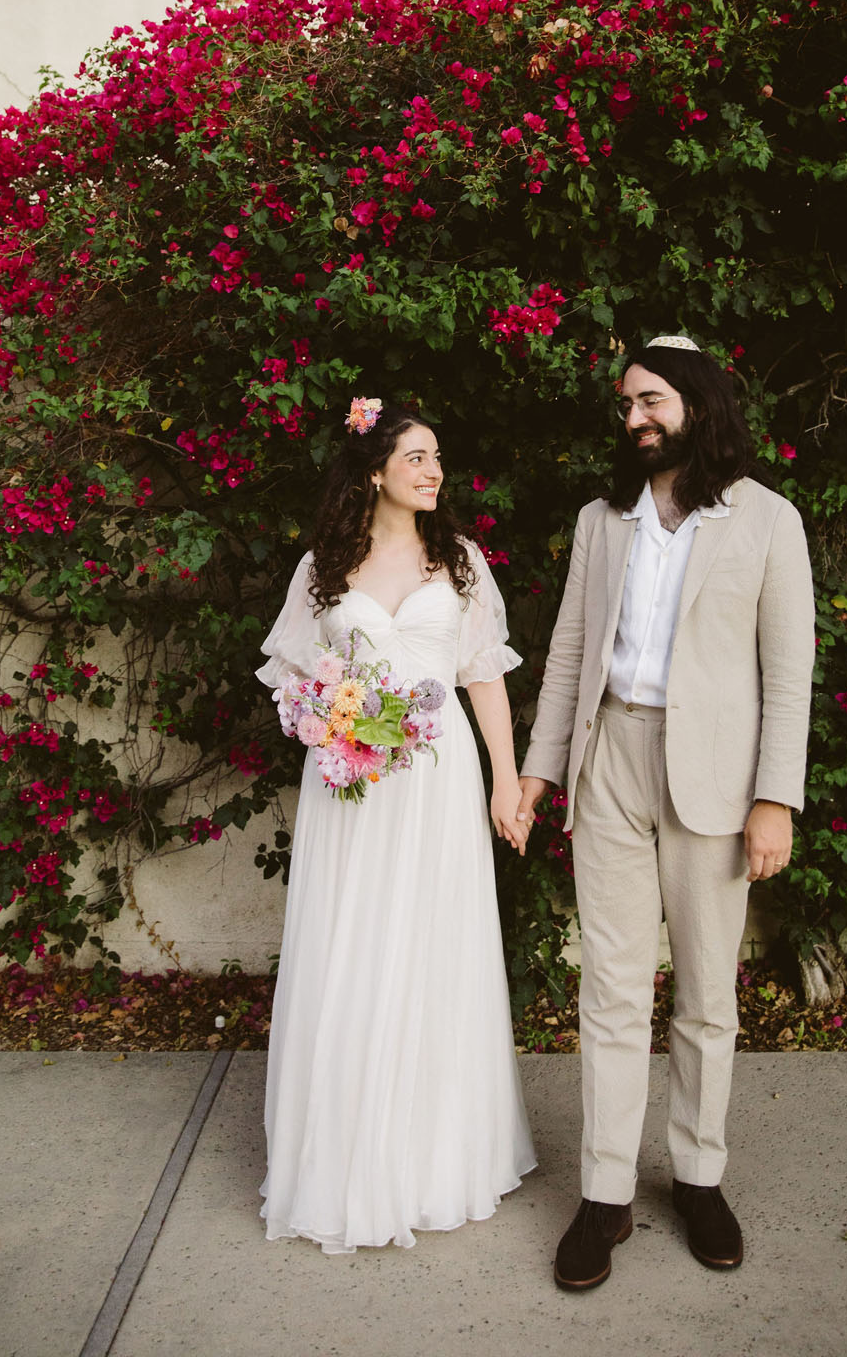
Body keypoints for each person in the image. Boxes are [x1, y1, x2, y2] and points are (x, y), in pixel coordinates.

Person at [517, 335, 815, 1289]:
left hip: (717, 782)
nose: (634, 419)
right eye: (626, 406)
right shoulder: (603, 520)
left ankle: (698, 1175)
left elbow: (789, 677)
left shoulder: (768, 522)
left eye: (650, 401)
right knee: (607, 989)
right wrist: (538, 771)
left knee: (705, 995)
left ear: (696, 401)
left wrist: (776, 800)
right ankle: (603, 1197)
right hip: (610, 760)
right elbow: (568, 654)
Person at [256, 396, 536, 1253]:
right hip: (354, 781)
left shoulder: (460, 562)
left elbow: (483, 673)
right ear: (375, 470)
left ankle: (432, 1156)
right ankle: (343, 1156)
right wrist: (327, 722)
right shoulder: (324, 567)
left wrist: (506, 780)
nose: (433, 470)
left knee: (432, 943)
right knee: (354, 943)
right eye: (416, 456)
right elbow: (291, 677)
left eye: (438, 456)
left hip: (439, 770)